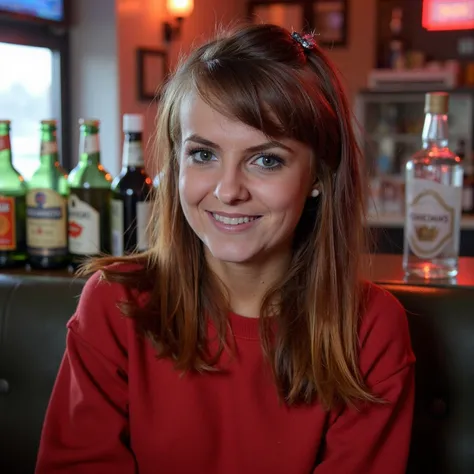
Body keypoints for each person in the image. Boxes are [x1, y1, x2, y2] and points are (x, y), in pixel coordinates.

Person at [35, 23, 415, 474]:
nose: (228, 190)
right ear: (175, 162)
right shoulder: (116, 303)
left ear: (319, 176)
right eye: (203, 154)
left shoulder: (370, 330)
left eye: (266, 160)